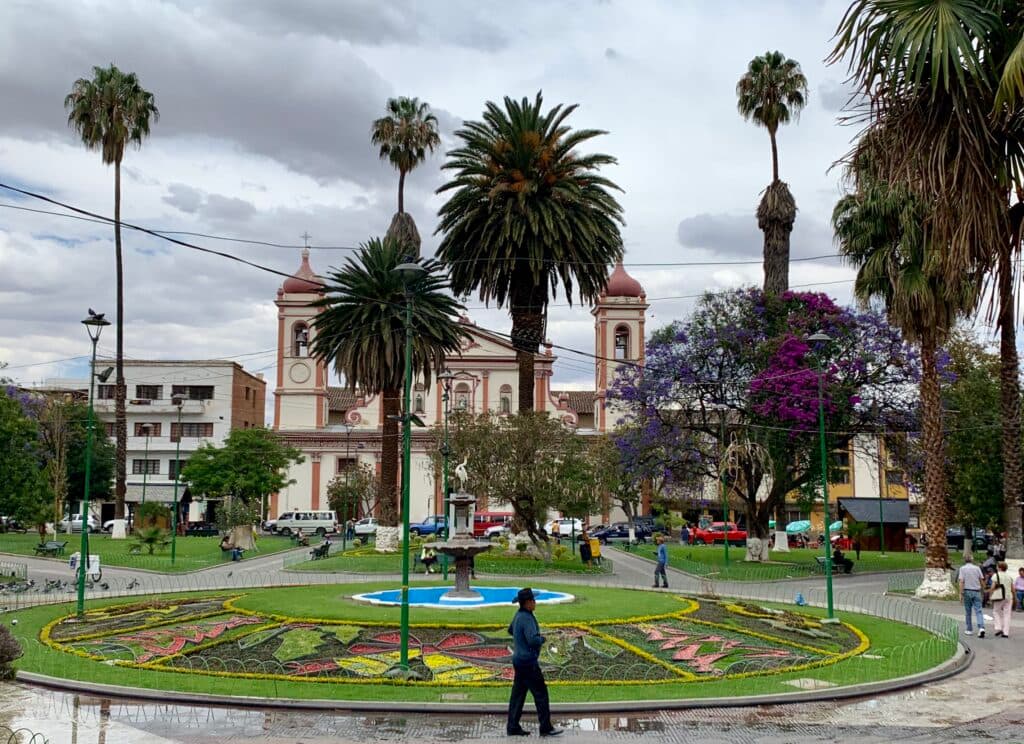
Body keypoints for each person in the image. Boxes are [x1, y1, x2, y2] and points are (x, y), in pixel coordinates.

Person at [506, 587, 560, 737]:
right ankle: (546, 727)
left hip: (519, 659)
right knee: (541, 694)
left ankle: (512, 726)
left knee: (518, 695)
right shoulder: (527, 618)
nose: (535, 603)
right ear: (527, 603)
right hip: (528, 662)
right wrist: (542, 639)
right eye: (533, 601)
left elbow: (511, 630)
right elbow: (533, 640)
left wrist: (520, 639)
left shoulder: (518, 615)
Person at [957, 553, 986, 637]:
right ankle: (981, 627)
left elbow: (961, 581)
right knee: (978, 610)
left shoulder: (962, 569)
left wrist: (961, 593)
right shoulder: (977, 568)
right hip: (976, 591)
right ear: (972, 559)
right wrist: (984, 589)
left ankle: (969, 629)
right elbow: (981, 579)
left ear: (964, 560)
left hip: (967, 591)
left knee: (968, 611)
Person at [989, 561, 1014, 638]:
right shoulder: (1009, 576)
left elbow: (993, 587)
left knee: (996, 611)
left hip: (999, 596)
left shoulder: (996, 575)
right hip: (1009, 597)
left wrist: (990, 595)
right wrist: (1015, 597)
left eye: (997, 566)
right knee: (1007, 614)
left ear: (999, 568)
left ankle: (999, 627)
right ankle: (1006, 633)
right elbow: (1012, 588)